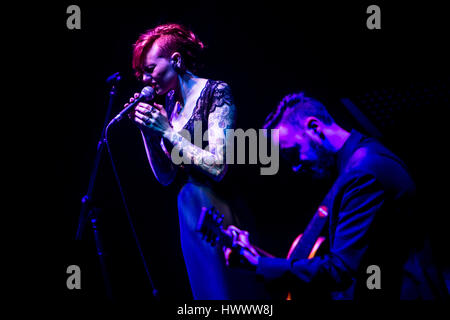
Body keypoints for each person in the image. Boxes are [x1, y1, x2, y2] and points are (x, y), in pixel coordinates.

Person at [223, 92, 447, 299]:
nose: (294, 167)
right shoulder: (358, 161)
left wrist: (259, 264)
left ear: (314, 128)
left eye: (292, 153)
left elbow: (340, 271)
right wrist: (260, 257)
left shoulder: (363, 172)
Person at [124, 23, 239, 299]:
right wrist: (149, 134)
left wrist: (166, 131)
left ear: (176, 60)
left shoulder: (217, 92)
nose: (145, 79)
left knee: (227, 290)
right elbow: (166, 176)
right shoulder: (172, 106)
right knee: (205, 292)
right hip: (189, 208)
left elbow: (218, 166)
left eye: (150, 69)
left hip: (217, 206)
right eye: (142, 73)